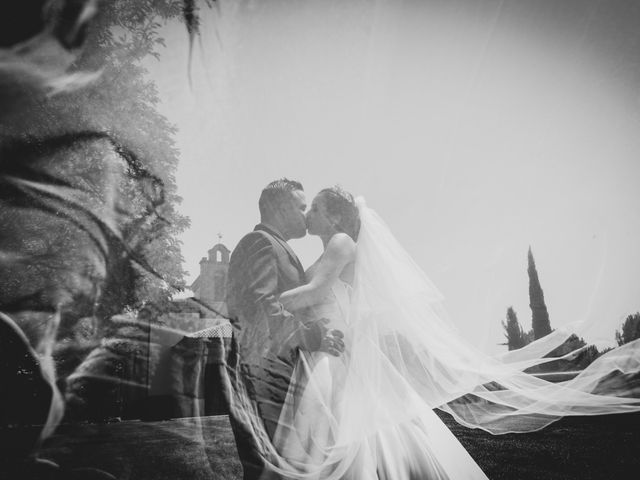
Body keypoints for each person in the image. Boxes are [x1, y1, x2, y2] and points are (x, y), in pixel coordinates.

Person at [234, 186, 640, 480]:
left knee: (342, 435)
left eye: (314, 208)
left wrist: (262, 305)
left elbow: (317, 291)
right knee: (355, 433)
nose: (308, 216)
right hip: (331, 346)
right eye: (305, 208)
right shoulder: (323, 245)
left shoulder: (339, 241)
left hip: (334, 348)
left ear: (335, 217)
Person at [225, 179, 345, 480]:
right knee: (270, 468)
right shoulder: (260, 243)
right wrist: (314, 336)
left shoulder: (278, 248)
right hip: (263, 374)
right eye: (301, 206)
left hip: (278, 372)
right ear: (280, 207)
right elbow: (260, 308)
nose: (306, 215)